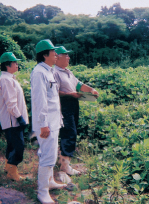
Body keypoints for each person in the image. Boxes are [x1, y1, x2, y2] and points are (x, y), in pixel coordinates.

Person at [30, 39, 66, 204]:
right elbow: (40, 101)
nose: (56, 54)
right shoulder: (39, 72)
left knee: (51, 153)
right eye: (53, 52)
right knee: (47, 156)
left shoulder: (48, 71)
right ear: (45, 55)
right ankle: (42, 192)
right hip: (46, 124)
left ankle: (49, 181)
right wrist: (43, 123)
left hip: (53, 122)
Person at [53, 46, 99, 176]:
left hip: (73, 103)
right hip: (63, 105)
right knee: (69, 132)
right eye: (65, 55)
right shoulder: (54, 72)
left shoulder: (67, 72)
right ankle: (65, 166)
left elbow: (78, 84)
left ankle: (62, 160)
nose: (68, 57)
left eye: (68, 55)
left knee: (71, 131)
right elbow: (54, 92)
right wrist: (70, 94)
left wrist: (91, 90)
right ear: (57, 57)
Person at [0, 52, 29, 181]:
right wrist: (19, 117)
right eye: (15, 62)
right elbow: (11, 103)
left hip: (12, 120)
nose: (17, 64)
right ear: (7, 65)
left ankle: (7, 168)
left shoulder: (9, 78)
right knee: (18, 146)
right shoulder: (6, 80)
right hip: (12, 121)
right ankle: (12, 171)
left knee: (11, 145)